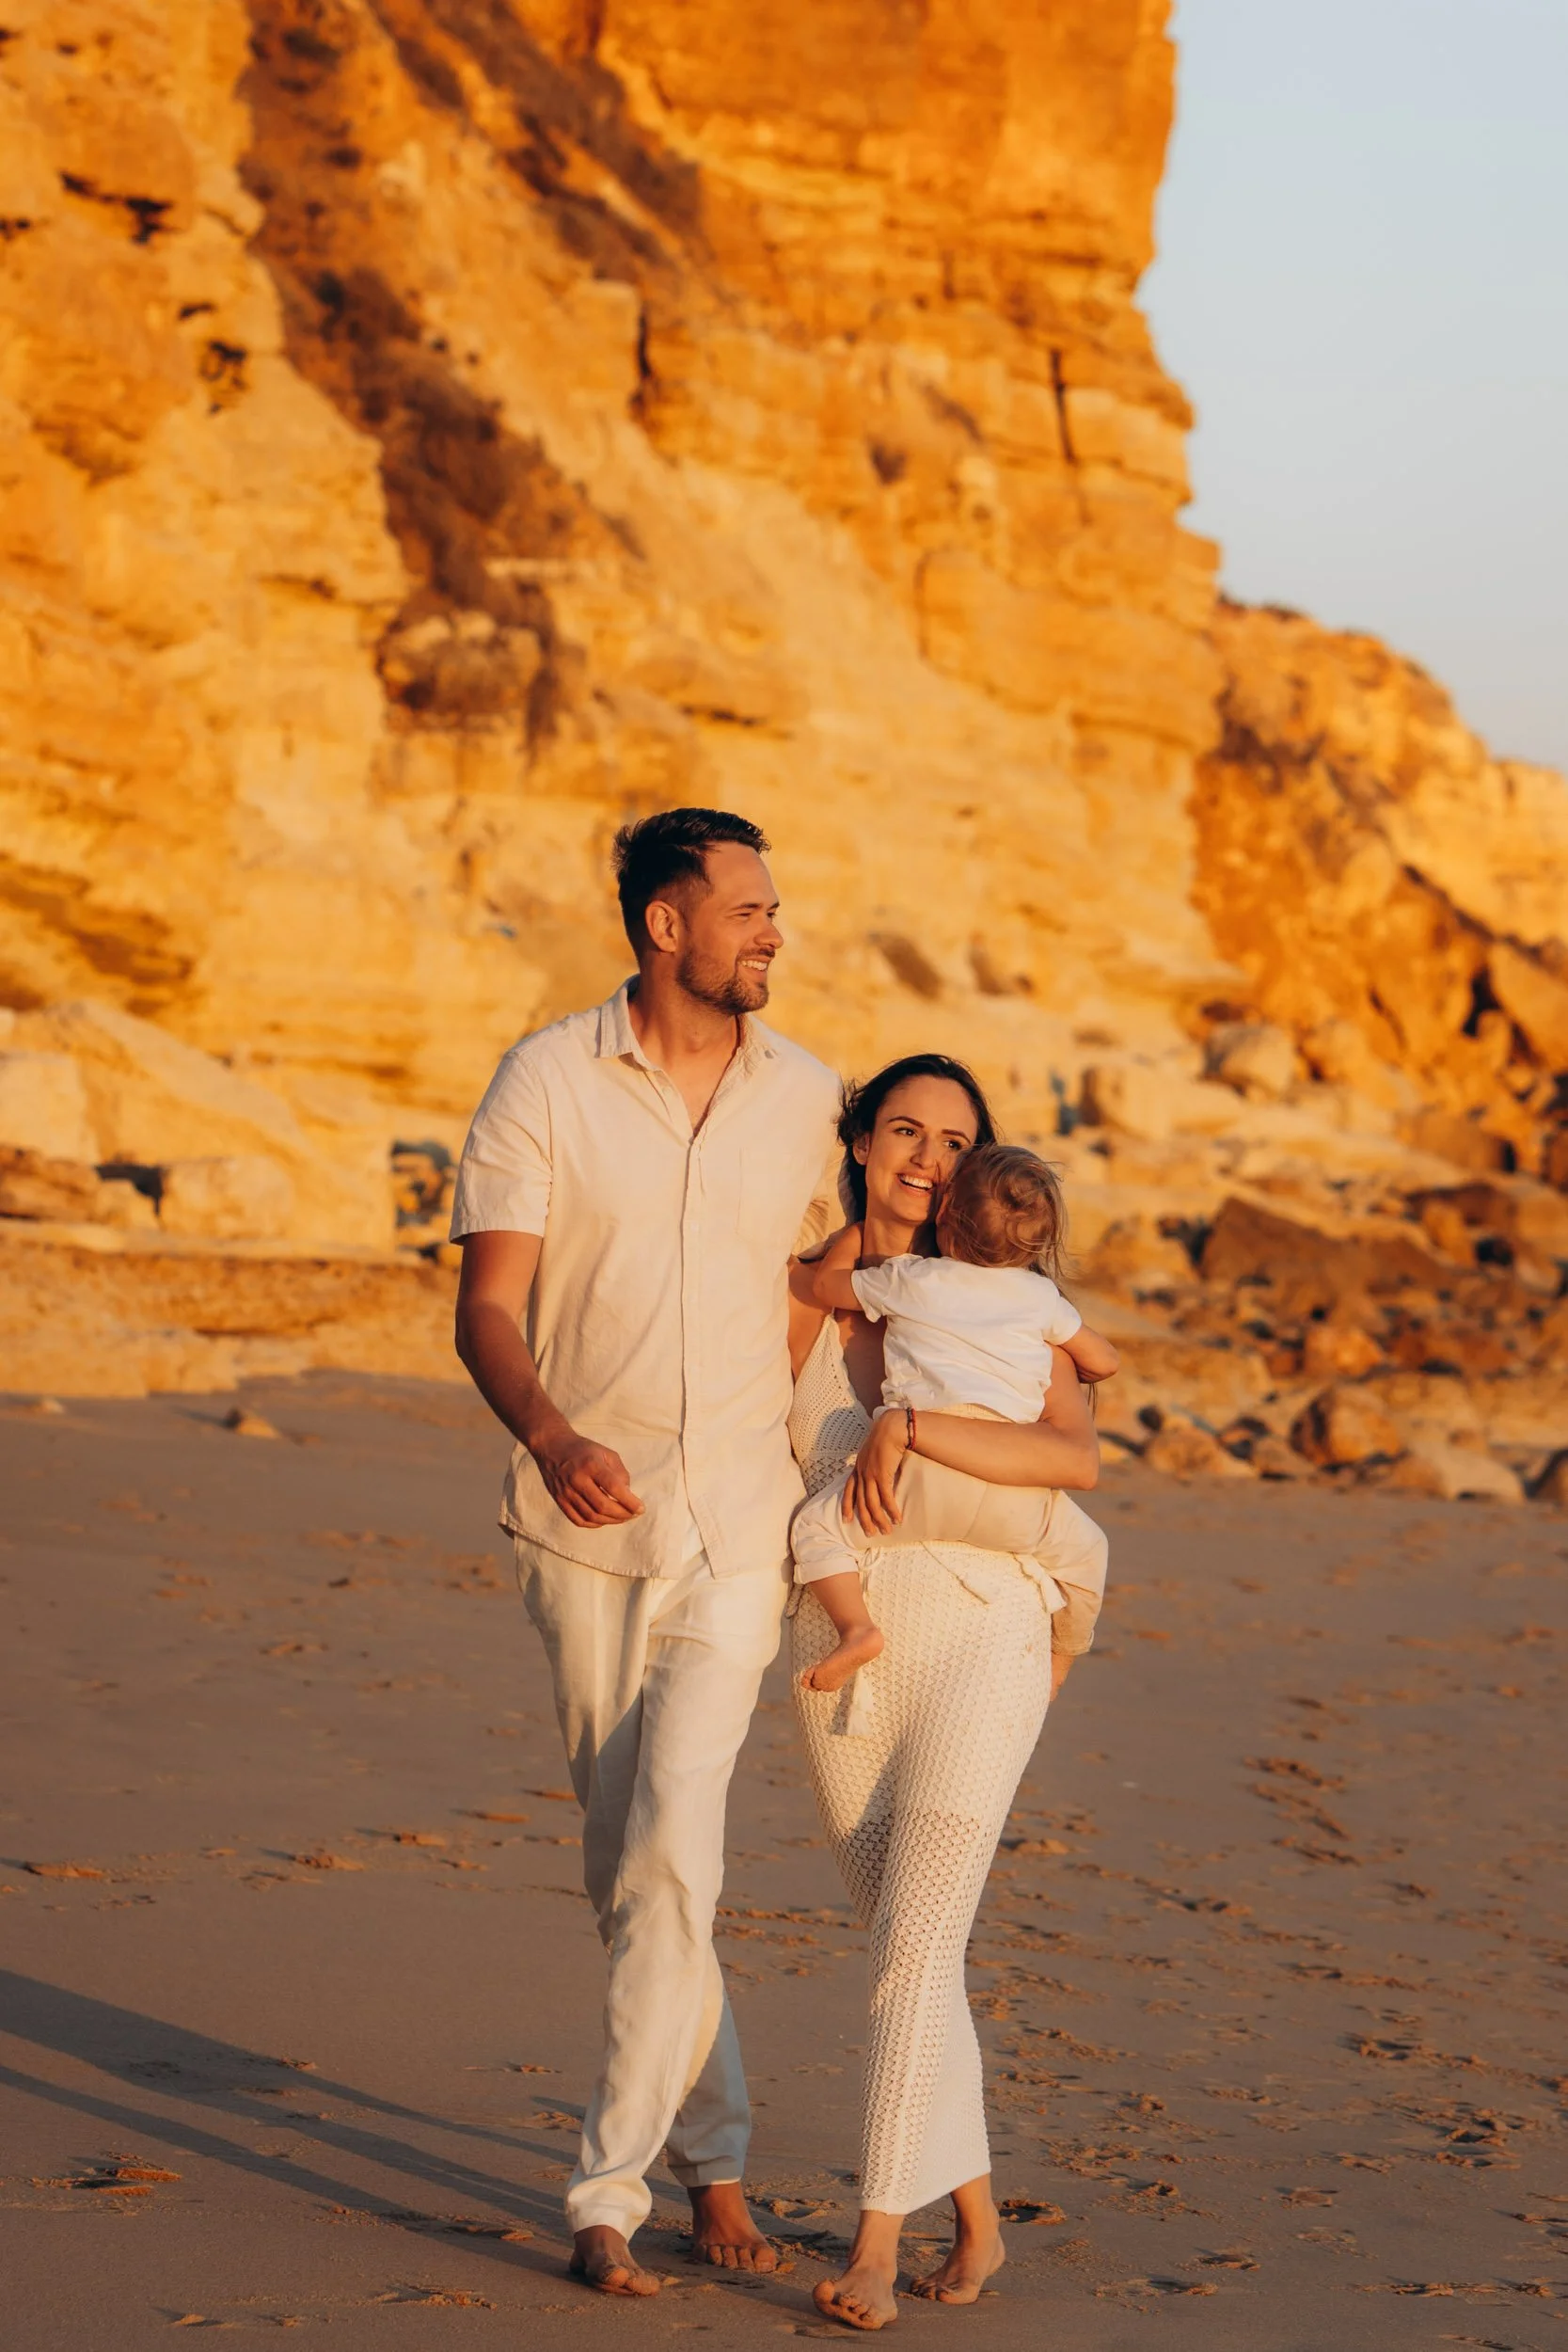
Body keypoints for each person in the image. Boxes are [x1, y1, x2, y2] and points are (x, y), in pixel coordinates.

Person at [450, 808, 840, 2298]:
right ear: (663, 926)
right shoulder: (546, 1080)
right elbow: (489, 1306)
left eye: (771, 905)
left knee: (677, 1840)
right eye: (745, 908)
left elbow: (821, 1285)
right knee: (636, 1871)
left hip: (738, 1525)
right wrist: (552, 1435)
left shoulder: (805, 1096)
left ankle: (608, 2190)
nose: (770, 932)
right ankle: (721, 2155)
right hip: (581, 1526)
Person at [785, 1055, 1106, 2329]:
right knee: (909, 1952)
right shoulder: (824, 1292)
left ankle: (874, 2239)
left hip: (983, 1635)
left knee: (913, 1947)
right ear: (859, 1141)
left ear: (979, 1167)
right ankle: (977, 2225)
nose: (924, 1155)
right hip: (842, 1648)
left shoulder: (1019, 1313)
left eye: (952, 1138)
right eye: (901, 1129)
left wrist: (908, 1429)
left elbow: (1070, 1456)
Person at [792, 1141, 1117, 1709]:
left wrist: (850, 1238)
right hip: (1011, 1482)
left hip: (916, 1476)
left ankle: (856, 1629)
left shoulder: (912, 1279)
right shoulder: (1040, 1298)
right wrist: (1071, 1355)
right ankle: (1062, 1654)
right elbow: (1105, 1360)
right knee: (1089, 1553)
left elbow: (827, 1288)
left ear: (943, 1213)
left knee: (816, 1530)